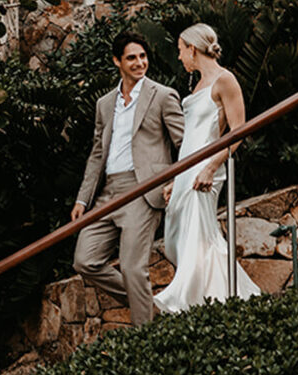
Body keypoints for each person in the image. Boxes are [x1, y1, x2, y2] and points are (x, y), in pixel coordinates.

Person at [72, 31, 184, 326]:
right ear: (117, 61)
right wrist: (83, 199)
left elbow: (184, 142)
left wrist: (176, 179)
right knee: (84, 260)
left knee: (134, 269)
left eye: (143, 56)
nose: (139, 63)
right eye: (131, 57)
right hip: (108, 193)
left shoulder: (162, 95)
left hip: (143, 189)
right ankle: (148, 307)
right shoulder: (105, 104)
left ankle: (144, 338)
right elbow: (97, 154)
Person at [154, 23, 262, 314]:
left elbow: (238, 131)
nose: (179, 58)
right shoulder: (198, 83)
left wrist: (211, 167)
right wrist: (176, 178)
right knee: (179, 235)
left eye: (180, 51)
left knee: (198, 235)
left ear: (192, 48)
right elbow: (189, 137)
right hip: (187, 169)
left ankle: (193, 301)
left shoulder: (225, 80)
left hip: (207, 169)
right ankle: (218, 299)